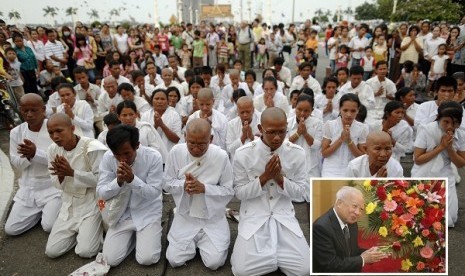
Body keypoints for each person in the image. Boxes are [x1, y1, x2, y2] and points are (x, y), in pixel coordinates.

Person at [231, 107, 310, 276]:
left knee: (305, 269)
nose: (277, 137)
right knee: (241, 271)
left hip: (283, 215)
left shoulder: (297, 153)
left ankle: (272, 259)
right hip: (254, 214)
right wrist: (265, 177)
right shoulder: (243, 154)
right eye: (271, 132)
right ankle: (273, 260)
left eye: (282, 132)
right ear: (260, 129)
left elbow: (300, 192)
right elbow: (239, 193)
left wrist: (280, 179)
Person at [164, 118, 234, 270]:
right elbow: (166, 183)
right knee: (174, 260)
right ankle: (191, 244)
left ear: (211, 139)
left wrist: (204, 188)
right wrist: (184, 185)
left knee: (214, 263)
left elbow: (229, 190)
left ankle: (205, 243)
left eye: (202, 144)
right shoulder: (176, 152)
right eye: (192, 143)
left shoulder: (221, 156)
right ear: (185, 137)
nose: (196, 149)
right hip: (186, 217)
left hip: (212, 219)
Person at [97, 125, 164, 266]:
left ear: (137, 146)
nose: (122, 159)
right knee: (109, 260)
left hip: (147, 211)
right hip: (122, 213)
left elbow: (154, 193)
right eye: (117, 154)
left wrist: (132, 180)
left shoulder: (153, 157)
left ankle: (145, 237)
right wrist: (118, 181)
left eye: (126, 153)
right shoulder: (108, 158)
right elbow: (101, 193)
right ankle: (135, 239)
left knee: (147, 259)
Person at [45, 113, 107, 258]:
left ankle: (91, 232)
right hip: (69, 205)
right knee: (52, 252)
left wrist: (72, 173)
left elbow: (103, 180)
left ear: (72, 128)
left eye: (59, 131)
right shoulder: (52, 150)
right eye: (51, 133)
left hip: (91, 204)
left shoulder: (92, 147)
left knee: (86, 251)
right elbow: (56, 184)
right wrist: (61, 175)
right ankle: (82, 233)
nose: (55, 136)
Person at [5, 94, 61, 236]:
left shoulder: (55, 129)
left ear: (43, 109)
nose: (29, 115)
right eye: (25, 110)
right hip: (29, 187)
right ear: (20, 110)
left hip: (52, 187)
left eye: (34, 110)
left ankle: (48, 212)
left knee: (49, 226)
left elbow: (61, 161)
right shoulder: (16, 132)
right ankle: (39, 213)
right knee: (11, 229)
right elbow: (17, 163)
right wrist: (29, 157)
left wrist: (36, 154)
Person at [412, 101, 465, 227]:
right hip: (423, 171)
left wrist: (450, 148)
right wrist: (441, 147)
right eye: (446, 122)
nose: (450, 127)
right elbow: (418, 159)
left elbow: (461, 164)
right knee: (420, 216)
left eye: (455, 123)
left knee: (449, 218)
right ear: (438, 118)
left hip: (445, 173)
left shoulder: (461, 134)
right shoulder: (426, 129)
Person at [312, 186, 389, 272]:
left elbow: (352, 252)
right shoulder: (321, 228)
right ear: (339, 203)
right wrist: (362, 259)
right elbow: (330, 265)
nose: (357, 213)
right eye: (354, 206)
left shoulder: (352, 223)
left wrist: (371, 253)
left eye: (361, 209)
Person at [321, 94, 369, 177]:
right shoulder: (330, 125)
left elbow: (362, 156)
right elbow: (324, 153)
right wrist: (341, 139)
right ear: (340, 109)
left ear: (358, 110)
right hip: (330, 169)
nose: (349, 114)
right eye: (345, 110)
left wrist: (349, 141)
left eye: (353, 111)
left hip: (353, 168)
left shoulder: (362, 128)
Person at [288, 94, 323, 181]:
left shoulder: (318, 124)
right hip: (291, 164)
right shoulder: (287, 123)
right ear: (295, 107)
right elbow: (284, 144)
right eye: (299, 109)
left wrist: (305, 133)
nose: (302, 113)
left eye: (306, 111)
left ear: (312, 111)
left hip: (311, 166)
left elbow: (317, 146)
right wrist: (298, 133)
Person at [226, 96, 260, 160]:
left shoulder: (261, 120)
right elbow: (229, 148)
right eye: (242, 112)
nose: (245, 115)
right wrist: (243, 137)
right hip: (238, 161)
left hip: (256, 161)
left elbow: (265, 146)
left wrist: (252, 137)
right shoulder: (232, 124)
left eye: (248, 112)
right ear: (238, 112)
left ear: (253, 110)